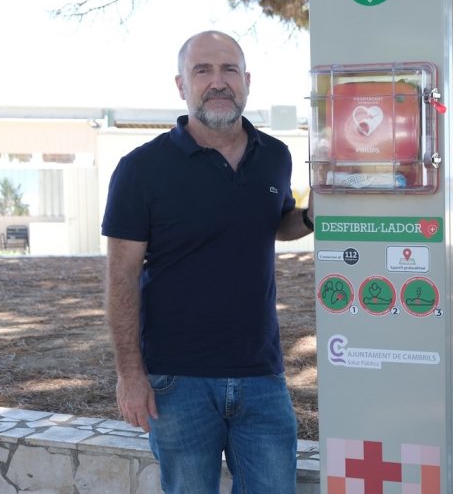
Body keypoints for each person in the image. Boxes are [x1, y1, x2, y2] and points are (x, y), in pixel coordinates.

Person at [102, 30, 314, 494]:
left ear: (247, 81)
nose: (218, 82)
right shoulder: (141, 169)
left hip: (263, 375)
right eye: (203, 71)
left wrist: (310, 217)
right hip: (177, 382)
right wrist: (130, 375)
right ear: (181, 85)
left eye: (229, 69)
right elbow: (121, 276)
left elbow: (274, 223)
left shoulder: (275, 156)